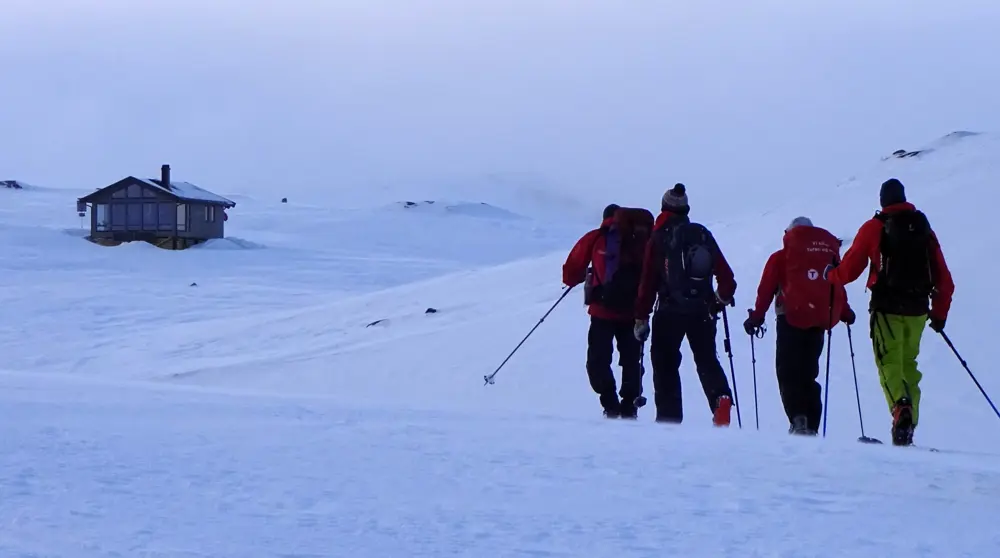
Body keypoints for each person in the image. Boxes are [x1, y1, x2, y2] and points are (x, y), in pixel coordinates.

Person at [824, 178, 954, 446]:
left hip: (887, 309)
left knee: (888, 363)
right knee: (909, 365)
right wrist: (939, 314)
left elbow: (849, 270)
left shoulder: (874, 227)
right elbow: (944, 277)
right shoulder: (923, 229)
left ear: (882, 201)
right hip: (918, 310)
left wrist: (831, 275)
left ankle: (900, 408)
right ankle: (908, 426)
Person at [633, 183, 737, 426]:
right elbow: (727, 277)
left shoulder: (659, 237)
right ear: (686, 209)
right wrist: (718, 300)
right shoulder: (701, 234)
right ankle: (720, 398)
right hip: (702, 309)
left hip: (669, 311)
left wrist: (641, 317)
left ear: (663, 208)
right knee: (706, 359)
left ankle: (669, 420)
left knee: (665, 362)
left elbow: (647, 281)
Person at [744, 216, 856, 435]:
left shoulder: (781, 257)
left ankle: (798, 419)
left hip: (790, 319)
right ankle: (811, 424)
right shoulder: (826, 257)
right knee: (808, 374)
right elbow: (836, 286)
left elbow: (766, 289)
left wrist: (756, 317)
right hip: (820, 320)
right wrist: (845, 312)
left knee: (788, 372)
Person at [563, 203, 654, 419]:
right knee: (632, 359)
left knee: (598, 359)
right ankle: (630, 405)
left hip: (602, 310)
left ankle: (610, 404)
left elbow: (570, 273)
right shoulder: (642, 240)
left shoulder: (597, 237)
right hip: (634, 311)